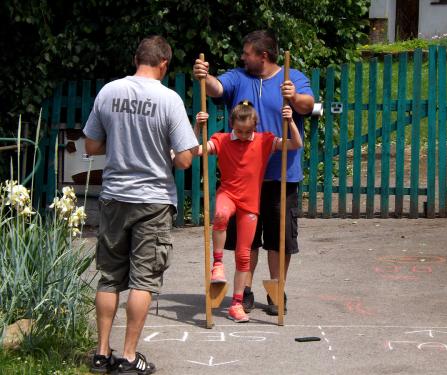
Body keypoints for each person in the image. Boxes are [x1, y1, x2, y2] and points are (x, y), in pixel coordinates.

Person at [84, 35, 199, 375]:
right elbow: (183, 161)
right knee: (143, 280)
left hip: (115, 197)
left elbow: (91, 145)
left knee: (108, 277)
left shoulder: (109, 92)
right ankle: (130, 356)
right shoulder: (169, 100)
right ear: (164, 63)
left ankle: (102, 353)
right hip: (152, 200)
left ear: (137, 58)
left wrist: (120, 145)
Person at [193, 30, 314, 315]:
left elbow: (307, 106)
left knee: (279, 238)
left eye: (247, 53)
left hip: (280, 174)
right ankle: (244, 290)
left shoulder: (291, 76)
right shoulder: (239, 77)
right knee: (247, 238)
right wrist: (204, 75)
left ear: (263, 56)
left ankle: (276, 289)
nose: (242, 57)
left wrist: (293, 96)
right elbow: (216, 89)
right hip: (243, 179)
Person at [194, 100, 302, 322]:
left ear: (256, 126)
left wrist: (290, 121)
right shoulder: (222, 140)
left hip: (250, 203)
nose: (243, 135)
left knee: (244, 256)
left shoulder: (265, 141)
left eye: (248, 131)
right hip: (229, 195)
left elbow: (295, 144)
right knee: (221, 215)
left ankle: (236, 304)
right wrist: (197, 127)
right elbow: (196, 150)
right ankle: (217, 264)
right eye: (239, 130)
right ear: (231, 123)